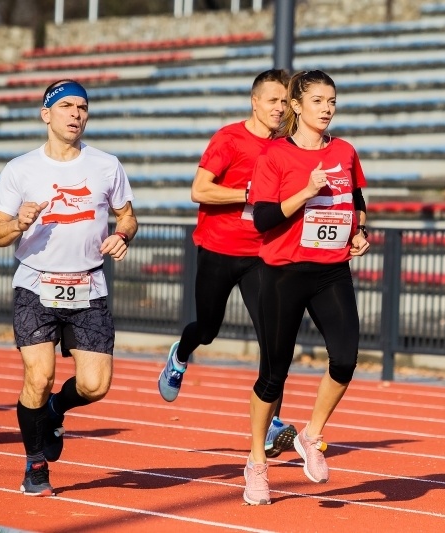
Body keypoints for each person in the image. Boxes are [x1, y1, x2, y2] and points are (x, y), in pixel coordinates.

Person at [0, 79, 136, 497]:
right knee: (39, 375)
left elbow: (127, 216)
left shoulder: (106, 165)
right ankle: (34, 465)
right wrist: (17, 223)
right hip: (36, 284)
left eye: (82, 106)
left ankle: (54, 410)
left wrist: (123, 234)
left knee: (94, 385)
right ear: (46, 114)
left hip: (89, 285)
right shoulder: (21, 169)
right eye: (66, 106)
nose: (76, 114)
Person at [156, 69, 298, 457]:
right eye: (273, 100)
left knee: (275, 338)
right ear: (255, 102)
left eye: (285, 101)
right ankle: (180, 355)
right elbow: (198, 190)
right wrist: (247, 193)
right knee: (207, 328)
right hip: (219, 249)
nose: (280, 108)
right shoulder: (229, 138)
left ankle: (270, 424)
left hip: (262, 254)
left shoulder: (287, 145)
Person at [243, 69, 369, 505]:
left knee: (346, 358)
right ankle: (256, 461)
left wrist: (359, 232)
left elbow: (356, 201)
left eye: (332, 100)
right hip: (283, 272)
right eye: (318, 101)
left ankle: (311, 436)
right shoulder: (276, 157)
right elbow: (262, 220)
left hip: (331, 270)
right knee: (273, 374)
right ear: (296, 106)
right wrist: (306, 191)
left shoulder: (346, 151)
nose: (327, 108)